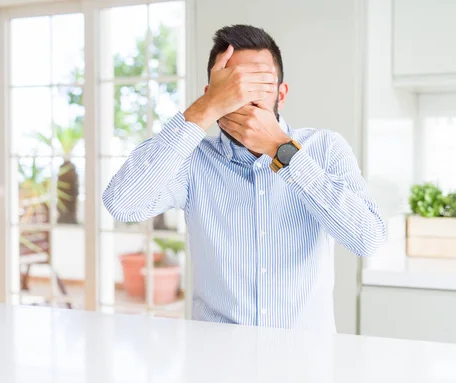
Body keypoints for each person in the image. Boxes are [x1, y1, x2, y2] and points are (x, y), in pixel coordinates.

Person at [103, 24, 385, 332]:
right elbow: (123, 205)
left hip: (305, 363)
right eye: (233, 86)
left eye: (258, 85)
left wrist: (283, 151)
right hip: (216, 361)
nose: (245, 97)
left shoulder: (326, 148)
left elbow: (368, 239)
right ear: (212, 93)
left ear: (281, 93)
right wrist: (203, 111)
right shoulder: (192, 160)